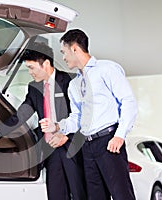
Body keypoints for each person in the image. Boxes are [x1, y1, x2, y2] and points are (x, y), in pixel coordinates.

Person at [0, 42, 87, 200]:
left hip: (71, 148)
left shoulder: (71, 82)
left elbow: (85, 116)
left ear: (45, 64)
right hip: (50, 151)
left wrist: (66, 136)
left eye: (31, 67)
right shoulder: (33, 88)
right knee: (56, 195)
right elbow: (20, 116)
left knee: (80, 194)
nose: (30, 72)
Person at [40, 29, 137, 200]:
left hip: (109, 142)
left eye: (64, 52)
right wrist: (57, 126)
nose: (63, 58)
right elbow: (77, 118)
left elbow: (128, 101)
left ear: (75, 49)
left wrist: (120, 135)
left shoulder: (107, 69)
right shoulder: (74, 84)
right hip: (87, 146)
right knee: (95, 196)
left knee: (122, 195)